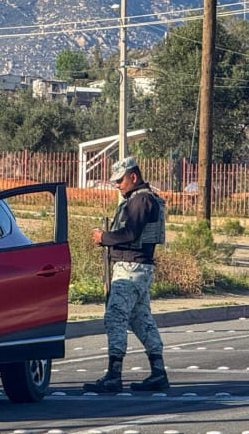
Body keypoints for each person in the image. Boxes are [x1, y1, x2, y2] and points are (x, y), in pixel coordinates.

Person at [83, 156, 169, 393]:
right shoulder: (146, 198)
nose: (117, 185)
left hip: (130, 267)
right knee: (140, 319)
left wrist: (104, 238)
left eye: (120, 180)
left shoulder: (140, 200)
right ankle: (158, 371)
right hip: (140, 267)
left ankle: (114, 375)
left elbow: (131, 233)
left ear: (133, 176)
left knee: (115, 317)